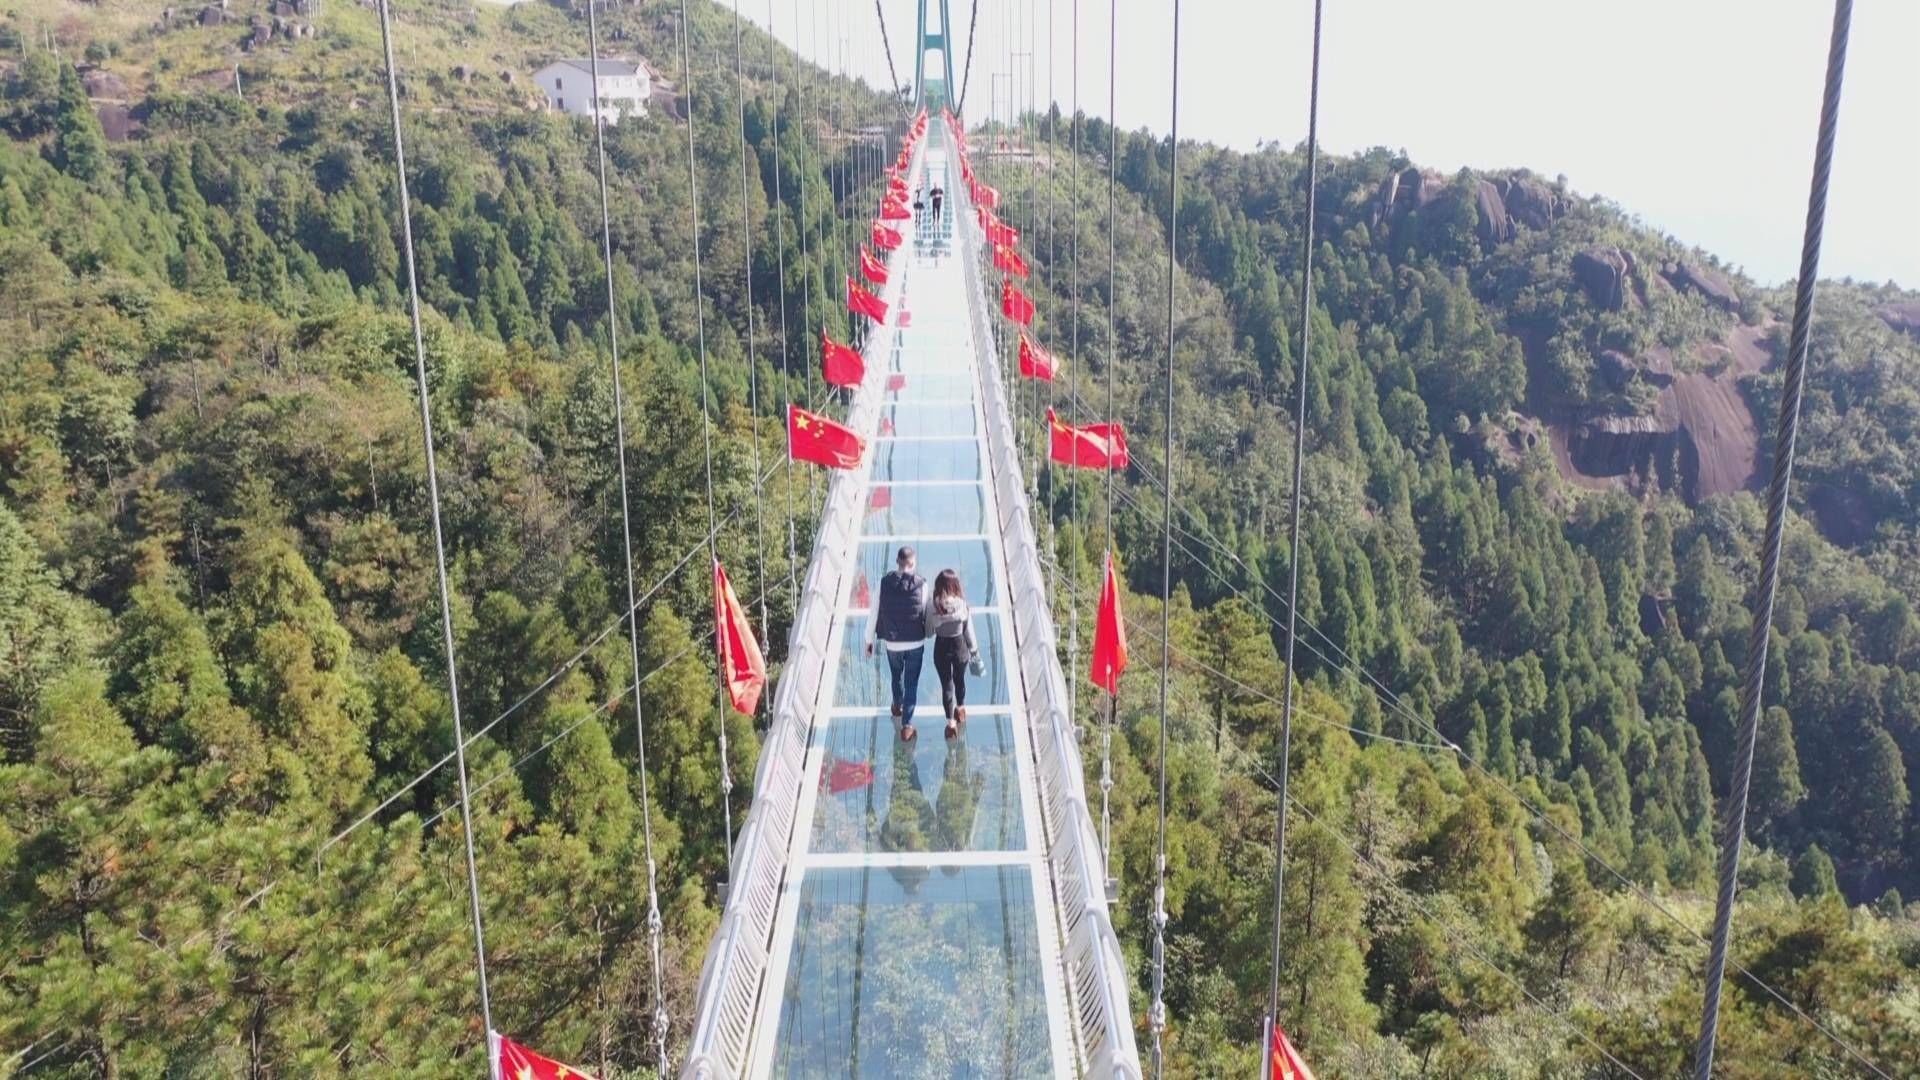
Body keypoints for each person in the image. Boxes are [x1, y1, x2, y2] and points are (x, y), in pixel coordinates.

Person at [866, 545, 930, 740]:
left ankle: (896, 705)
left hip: (892, 642)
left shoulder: (883, 583)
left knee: (896, 674)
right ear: (913, 563)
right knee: (912, 682)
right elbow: (926, 614)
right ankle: (907, 725)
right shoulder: (922, 585)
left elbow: (873, 613)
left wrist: (868, 641)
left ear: (897, 562)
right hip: (915, 642)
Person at [925, 568, 983, 739]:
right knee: (959, 679)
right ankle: (961, 709)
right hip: (960, 648)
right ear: (956, 585)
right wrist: (974, 650)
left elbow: (929, 632)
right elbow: (968, 631)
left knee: (946, 685)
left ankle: (950, 725)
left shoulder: (933, 605)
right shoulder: (962, 605)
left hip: (941, 648)